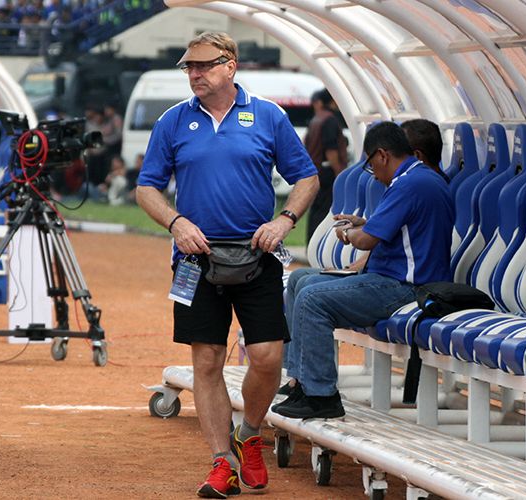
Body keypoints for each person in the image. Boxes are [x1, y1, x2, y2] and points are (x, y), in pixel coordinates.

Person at [136, 32, 318, 498]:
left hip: (258, 256)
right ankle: (222, 463)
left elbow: (307, 177)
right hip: (195, 260)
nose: (194, 75)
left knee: (267, 356)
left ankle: (250, 432)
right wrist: (175, 222)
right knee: (208, 360)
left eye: (203, 66)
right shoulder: (173, 122)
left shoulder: (269, 116)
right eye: (189, 68)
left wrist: (285, 219)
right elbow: (147, 188)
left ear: (230, 65)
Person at [272, 121, 453, 420]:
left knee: (312, 299)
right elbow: (391, 229)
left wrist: (348, 233)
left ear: (382, 155)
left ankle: (322, 396)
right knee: (300, 280)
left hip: (406, 286)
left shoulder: (409, 183)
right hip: (395, 279)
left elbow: (367, 240)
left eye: (370, 163)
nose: (373, 173)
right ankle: (301, 381)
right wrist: (361, 226)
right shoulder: (415, 179)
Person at [304, 89, 348, 245]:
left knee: (317, 211)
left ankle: (312, 244)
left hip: (316, 170)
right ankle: (320, 245)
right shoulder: (330, 120)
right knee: (326, 211)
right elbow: (331, 150)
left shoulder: (315, 119)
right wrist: (340, 174)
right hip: (328, 171)